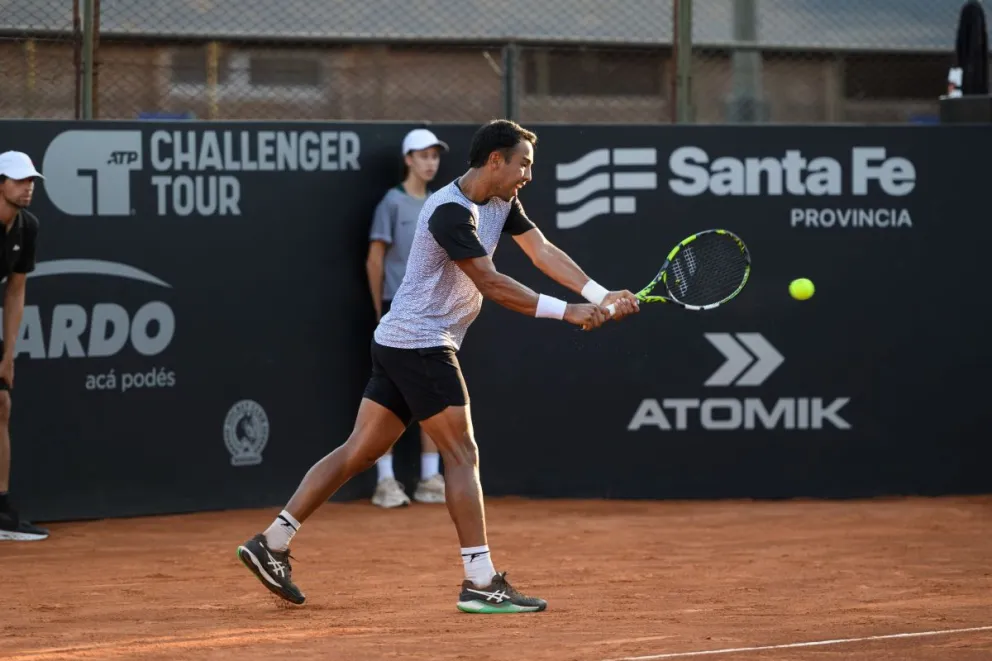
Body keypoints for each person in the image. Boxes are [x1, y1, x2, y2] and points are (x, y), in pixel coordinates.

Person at [237, 119, 639, 613]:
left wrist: (599, 295)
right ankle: (479, 580)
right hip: (422, 345)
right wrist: (568, 311)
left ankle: (271, 542)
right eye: (524, 165)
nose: (528, 175)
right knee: (462, 455)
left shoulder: (500, 201)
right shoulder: (450, 212)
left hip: (399, 342)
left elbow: (541, 251)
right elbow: (491, 283)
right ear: (496, 160)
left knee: (360, 451)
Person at [365, 128, 449, 509]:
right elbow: (376, 258)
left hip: (432, 318)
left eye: (435, 155)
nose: (430, 162)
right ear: (408, 160)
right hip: (396, 316)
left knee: (433, 395)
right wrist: (380, 311)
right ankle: (386, 481)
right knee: (388, 400)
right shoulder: (391, 203)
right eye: (423, 155)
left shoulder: (439, 204)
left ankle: (430, 478)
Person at [0, 151, 47, 542]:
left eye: (31, 180)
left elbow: (16, 291)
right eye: (18, 180)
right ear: (0, 184)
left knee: (1, 404)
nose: (27, 186)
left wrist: (8, 354)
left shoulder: (26, 227)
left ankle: (2, 510)